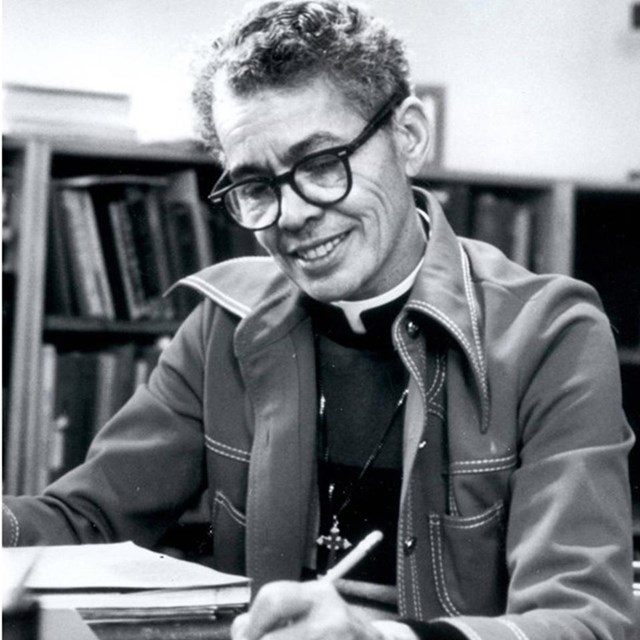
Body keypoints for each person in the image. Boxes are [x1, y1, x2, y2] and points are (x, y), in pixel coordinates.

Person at [3, 1, 636, 638]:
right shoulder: (224, 327)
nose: (291, 215)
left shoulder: (551, 334)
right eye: (255, 185)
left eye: (322, 165)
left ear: (408, 136)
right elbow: (87, 520)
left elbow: (589, 621)